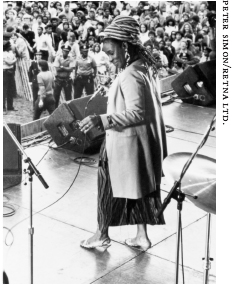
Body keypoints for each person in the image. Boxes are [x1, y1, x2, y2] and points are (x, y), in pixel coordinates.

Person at [78, 16, 167, 250]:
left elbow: (137, 112)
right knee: (141, 189)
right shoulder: (144, 67)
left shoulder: (130, 74)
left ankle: (101, 234)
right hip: (143, 144)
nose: (109, 57)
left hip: (125, 142)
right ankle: (141, 236)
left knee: (106, 187)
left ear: (125, 46)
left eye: (111, 51)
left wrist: (101, 119)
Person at [3, 32, 17, 114]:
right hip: (4, 72)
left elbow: (14, 58)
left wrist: (13, 60)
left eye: (7, 40)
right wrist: (14, 61)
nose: (6, 41)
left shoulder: (10, 50)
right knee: (3, 90)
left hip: (10, 71)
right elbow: (9, 62)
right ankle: (2, 108)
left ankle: (10, 106)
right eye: (4, 40)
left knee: (10, 89)